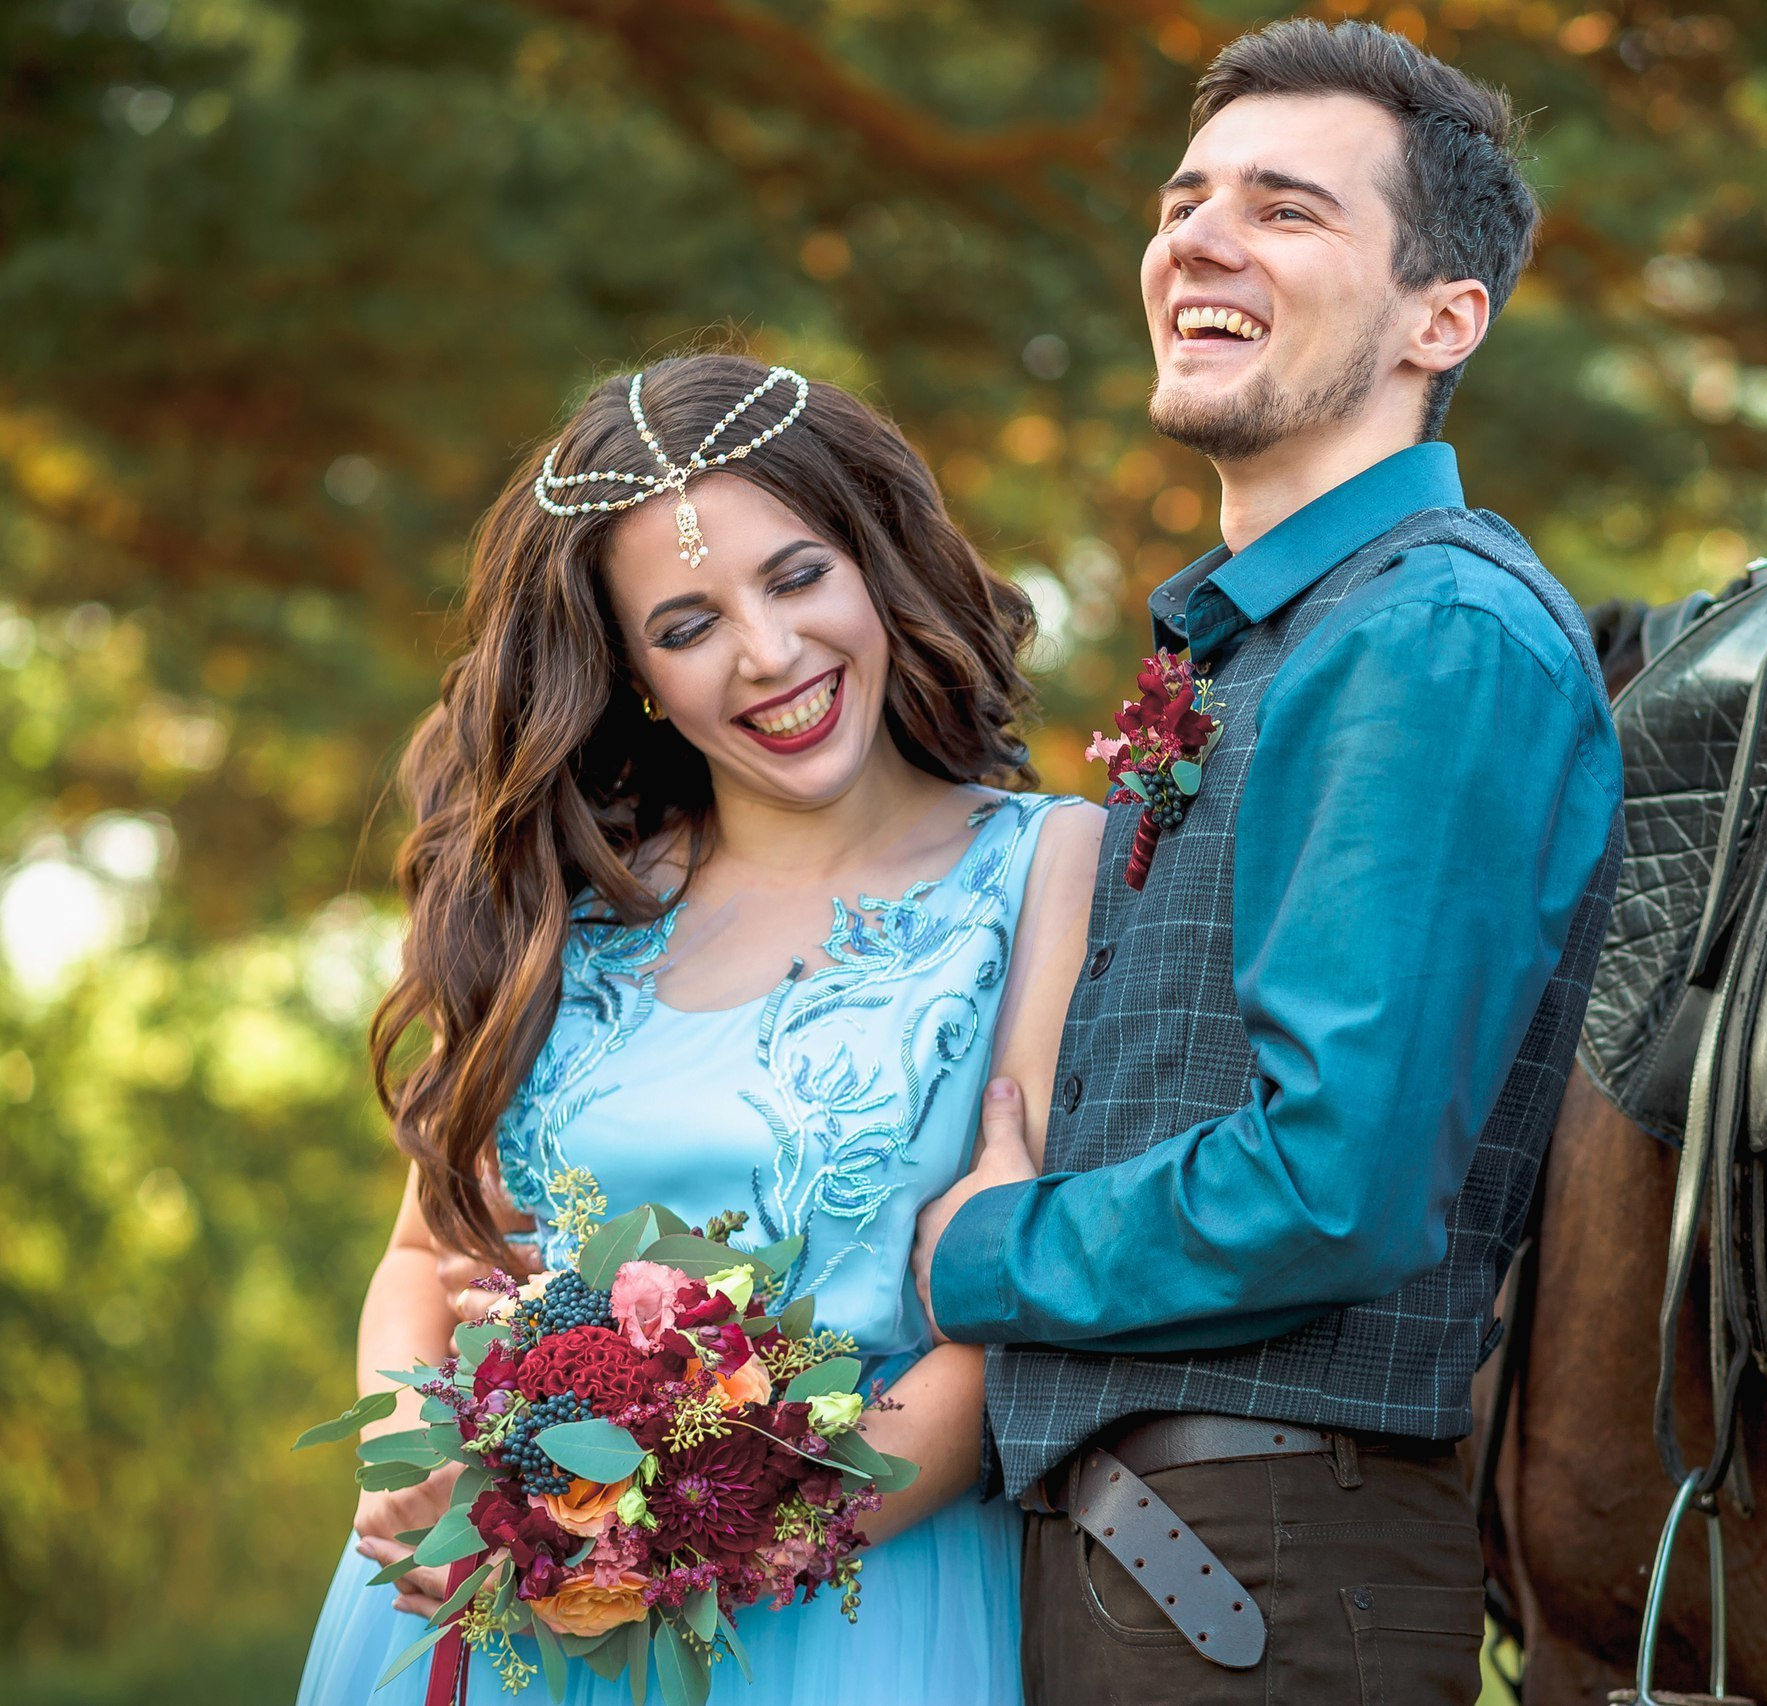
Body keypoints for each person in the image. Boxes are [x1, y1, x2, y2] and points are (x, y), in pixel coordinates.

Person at [909, 21, 1624, 1706]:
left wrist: (987, 1253)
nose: (1199, 240)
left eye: (1287, 211)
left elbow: (1338, 1180)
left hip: (1258, 1576)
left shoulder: (1428, 633)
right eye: (1185, 197)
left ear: (1441, 321)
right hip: (1166, 1559)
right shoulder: (1279, 641)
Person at [296, 351, 1104, 1704]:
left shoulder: (1047, 865)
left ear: (876, 565)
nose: (770, 653)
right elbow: (427, 1258)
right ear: (633, 676)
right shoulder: (569, 900)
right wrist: (406, 1455)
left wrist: (688, 1545)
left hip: (852, 1609)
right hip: (501, 1611)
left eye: (796, 578)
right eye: (688, 624)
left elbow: (1003, 1337)